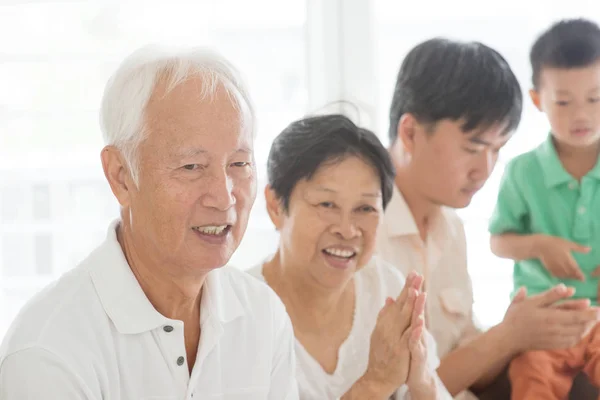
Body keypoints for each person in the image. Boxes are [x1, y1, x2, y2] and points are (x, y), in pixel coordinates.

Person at [0, 46, 298, 399]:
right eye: (192, 167)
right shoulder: (49, 352)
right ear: (121, 176)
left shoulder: (262, 315)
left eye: (239, 164)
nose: (224, 196)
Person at [375, 37, 600, 399]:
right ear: (411, 133)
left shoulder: (450, 227)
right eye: (473, 148)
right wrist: (508, 336)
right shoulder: (361, 233)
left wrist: (521, 330)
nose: (486, 169)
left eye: (497, 150)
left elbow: (469, 368)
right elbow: (395, 392)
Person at [248, 114, 452, 399]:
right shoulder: (241, 312)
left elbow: (432, 390)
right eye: (327, 204)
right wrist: (376, 383)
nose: (347, 230)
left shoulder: (385, 288)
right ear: (275, 206)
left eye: (365, 208)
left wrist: (420, 380)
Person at [489, 19, 600, 399]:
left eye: (595, 98)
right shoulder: (522, 171)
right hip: (544, 319)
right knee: (531, 379)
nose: (581, 115)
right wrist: (539, 245)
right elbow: (498, 242)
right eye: (564, 102)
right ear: (539, 100)